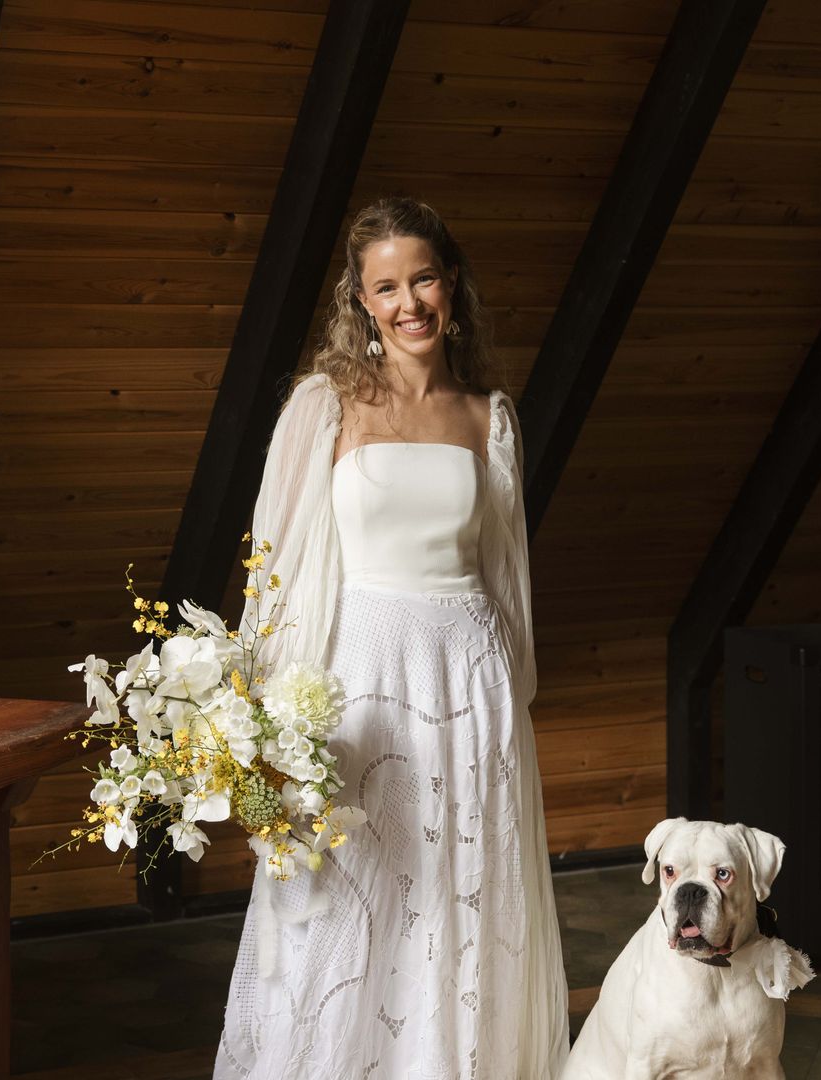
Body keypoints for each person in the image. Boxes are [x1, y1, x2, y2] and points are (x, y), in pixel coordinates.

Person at [214, 196, 569, 1079]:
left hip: (468, 680)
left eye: (423, 279)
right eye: (387, 287)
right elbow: (278, 570)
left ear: (451, 287)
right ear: (361, 301)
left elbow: (504, 577)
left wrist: (507, 708)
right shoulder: (323, 407)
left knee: (457, 898)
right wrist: (258, 731)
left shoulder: (489, 419)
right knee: (348, 892)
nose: (409, 302)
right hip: (359, 677)